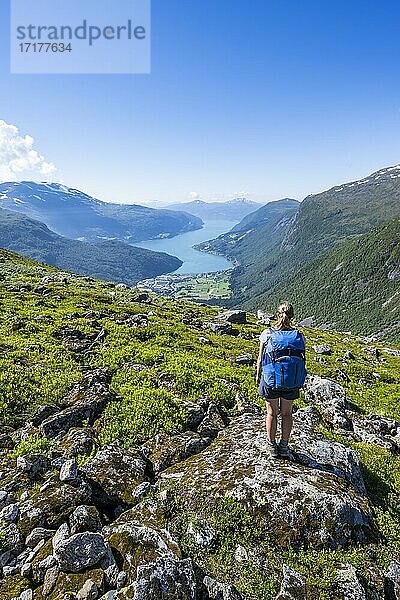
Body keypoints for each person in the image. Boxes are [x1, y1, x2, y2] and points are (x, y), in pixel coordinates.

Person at [256, 301, 306, 459]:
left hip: (271, 379)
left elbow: (260, 359)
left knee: (272, 413)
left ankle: (271, 446)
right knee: (287, 413)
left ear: (277, 314)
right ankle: (284, 446)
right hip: (291, 380)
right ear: (292, 316)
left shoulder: (267, 334)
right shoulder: (299, 336)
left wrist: (258, 376)